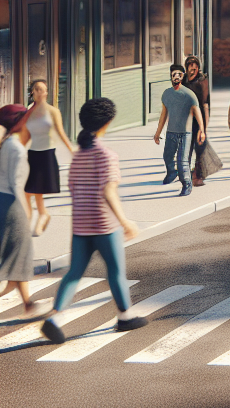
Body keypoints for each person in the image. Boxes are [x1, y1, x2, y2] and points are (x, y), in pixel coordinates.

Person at [40, 97, 148, 345]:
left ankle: (54, 319)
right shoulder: (106, 155)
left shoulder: (78, 156)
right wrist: (125, 221)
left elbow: (73, 188)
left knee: (74, 273)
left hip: (80, 225)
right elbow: (108, 191)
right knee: (116, 271)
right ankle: (125, 316)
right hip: (104, 225)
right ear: (107, 123)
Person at [19, 79, 74, 237]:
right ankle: (38, 216)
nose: (42, 92)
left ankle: (40, 217)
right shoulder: (28, 111)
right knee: (29, 192)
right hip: (32, 154)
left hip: (47, 154)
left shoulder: (53, 111)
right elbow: (25, 135)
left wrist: (73, 151)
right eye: (38, 89)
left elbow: (61, 132)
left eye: (44, 89)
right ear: (33, 92)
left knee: (36, 192)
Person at [0, 104, 37, 316]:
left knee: (17, 254)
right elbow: (16, 184)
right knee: (19, 253)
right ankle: (27, 303)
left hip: (2, 201)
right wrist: (26, 211)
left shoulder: (5, 144)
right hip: (13, 205)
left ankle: (28, 304)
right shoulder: (16, 148)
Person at [154, 64, 202, 198]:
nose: (176, 77)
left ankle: (187, 183)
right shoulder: (167, 94)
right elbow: (163, 115)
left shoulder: (189, 94)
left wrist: (202, 130)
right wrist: (158, 133)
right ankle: (171, 173)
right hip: (171, 133)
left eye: (179, 74)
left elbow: (197, 113)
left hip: (185, 133)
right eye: (173, 74)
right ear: (170, 76)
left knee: (182, 161)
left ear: (183, 75)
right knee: (167, 156)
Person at [184, 55, 211, 186]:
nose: (193, 70)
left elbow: (205, 104)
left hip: (199, 119)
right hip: (186, 120)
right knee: (186, 148)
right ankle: (186, 174)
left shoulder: (202, 82)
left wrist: (204, 128)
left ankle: (198, 176)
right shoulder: (183, 81)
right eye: (190, 68)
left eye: (195, 68)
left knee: (200, 147)